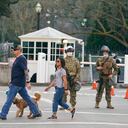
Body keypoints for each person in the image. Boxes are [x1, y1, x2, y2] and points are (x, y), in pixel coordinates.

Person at [0, 45, 42, 120]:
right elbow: (17, 71)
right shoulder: (18, 58)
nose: (13, 51)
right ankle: (36, 112)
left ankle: (3, 114)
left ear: (19, 50)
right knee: (28, 99)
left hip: (17, 83)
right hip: (18, 83)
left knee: (9, 99)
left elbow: (25, 70)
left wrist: (28, 82)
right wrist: (12, 80)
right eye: (13, 50)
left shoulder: (21, 59)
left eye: (15, 50)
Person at [60, 46, 80, 110]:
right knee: (64, 93)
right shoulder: (63, 60)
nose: (70, 53)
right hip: (66, 79)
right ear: (66, 52)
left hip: (73, 78)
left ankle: (73, 105)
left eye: (71, 52)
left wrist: (76, 78)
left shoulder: (76, 60)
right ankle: (63, 105)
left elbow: (78, 71)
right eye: (68, 51)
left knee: (73, 93)